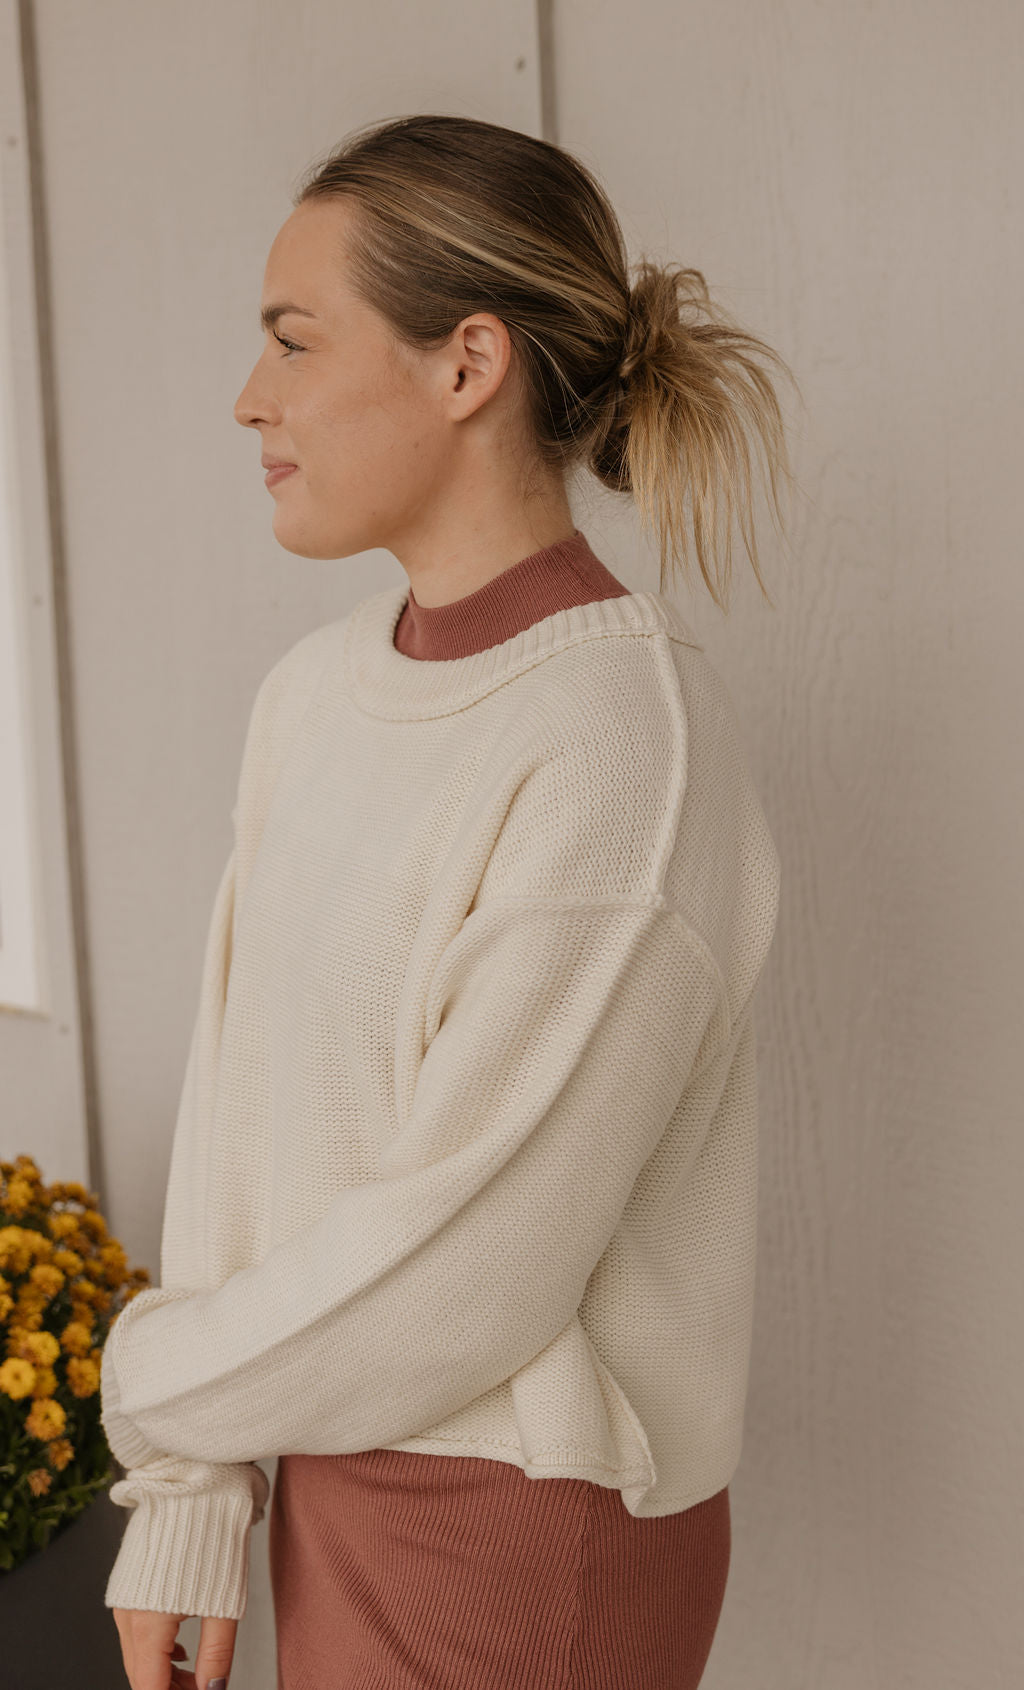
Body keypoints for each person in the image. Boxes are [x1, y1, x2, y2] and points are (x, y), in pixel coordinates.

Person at [101, 112, 799, 1690]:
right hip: (325, 1465)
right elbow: (238, 1120)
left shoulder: (624, 743)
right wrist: (190, 1495)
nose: (251, 396)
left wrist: (152, 1389)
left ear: (468, 363)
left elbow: (472, 1258)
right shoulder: (313, 692)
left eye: (294, 339)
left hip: (520, 1525)